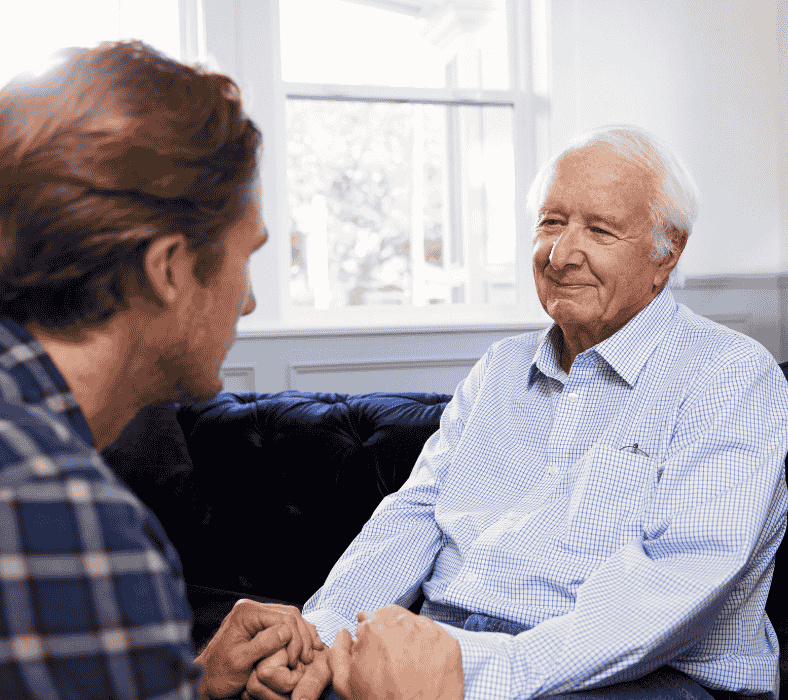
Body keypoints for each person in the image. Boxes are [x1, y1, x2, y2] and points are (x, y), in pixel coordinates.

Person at [250, 126, 788, 700]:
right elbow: (415, 516)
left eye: (599, 230)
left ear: (668, 251)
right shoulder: (500, 368)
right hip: (448, 647)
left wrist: (464, 672)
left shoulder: (730, 376)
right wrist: (323, 640)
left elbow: (673, 587)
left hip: (636, 676)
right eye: (551, 222)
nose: (561, 255)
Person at [0, 41, 327, 699]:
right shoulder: (63, 514)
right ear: (170, 269)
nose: (250, 300)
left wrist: (192, 685)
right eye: (246, 255)